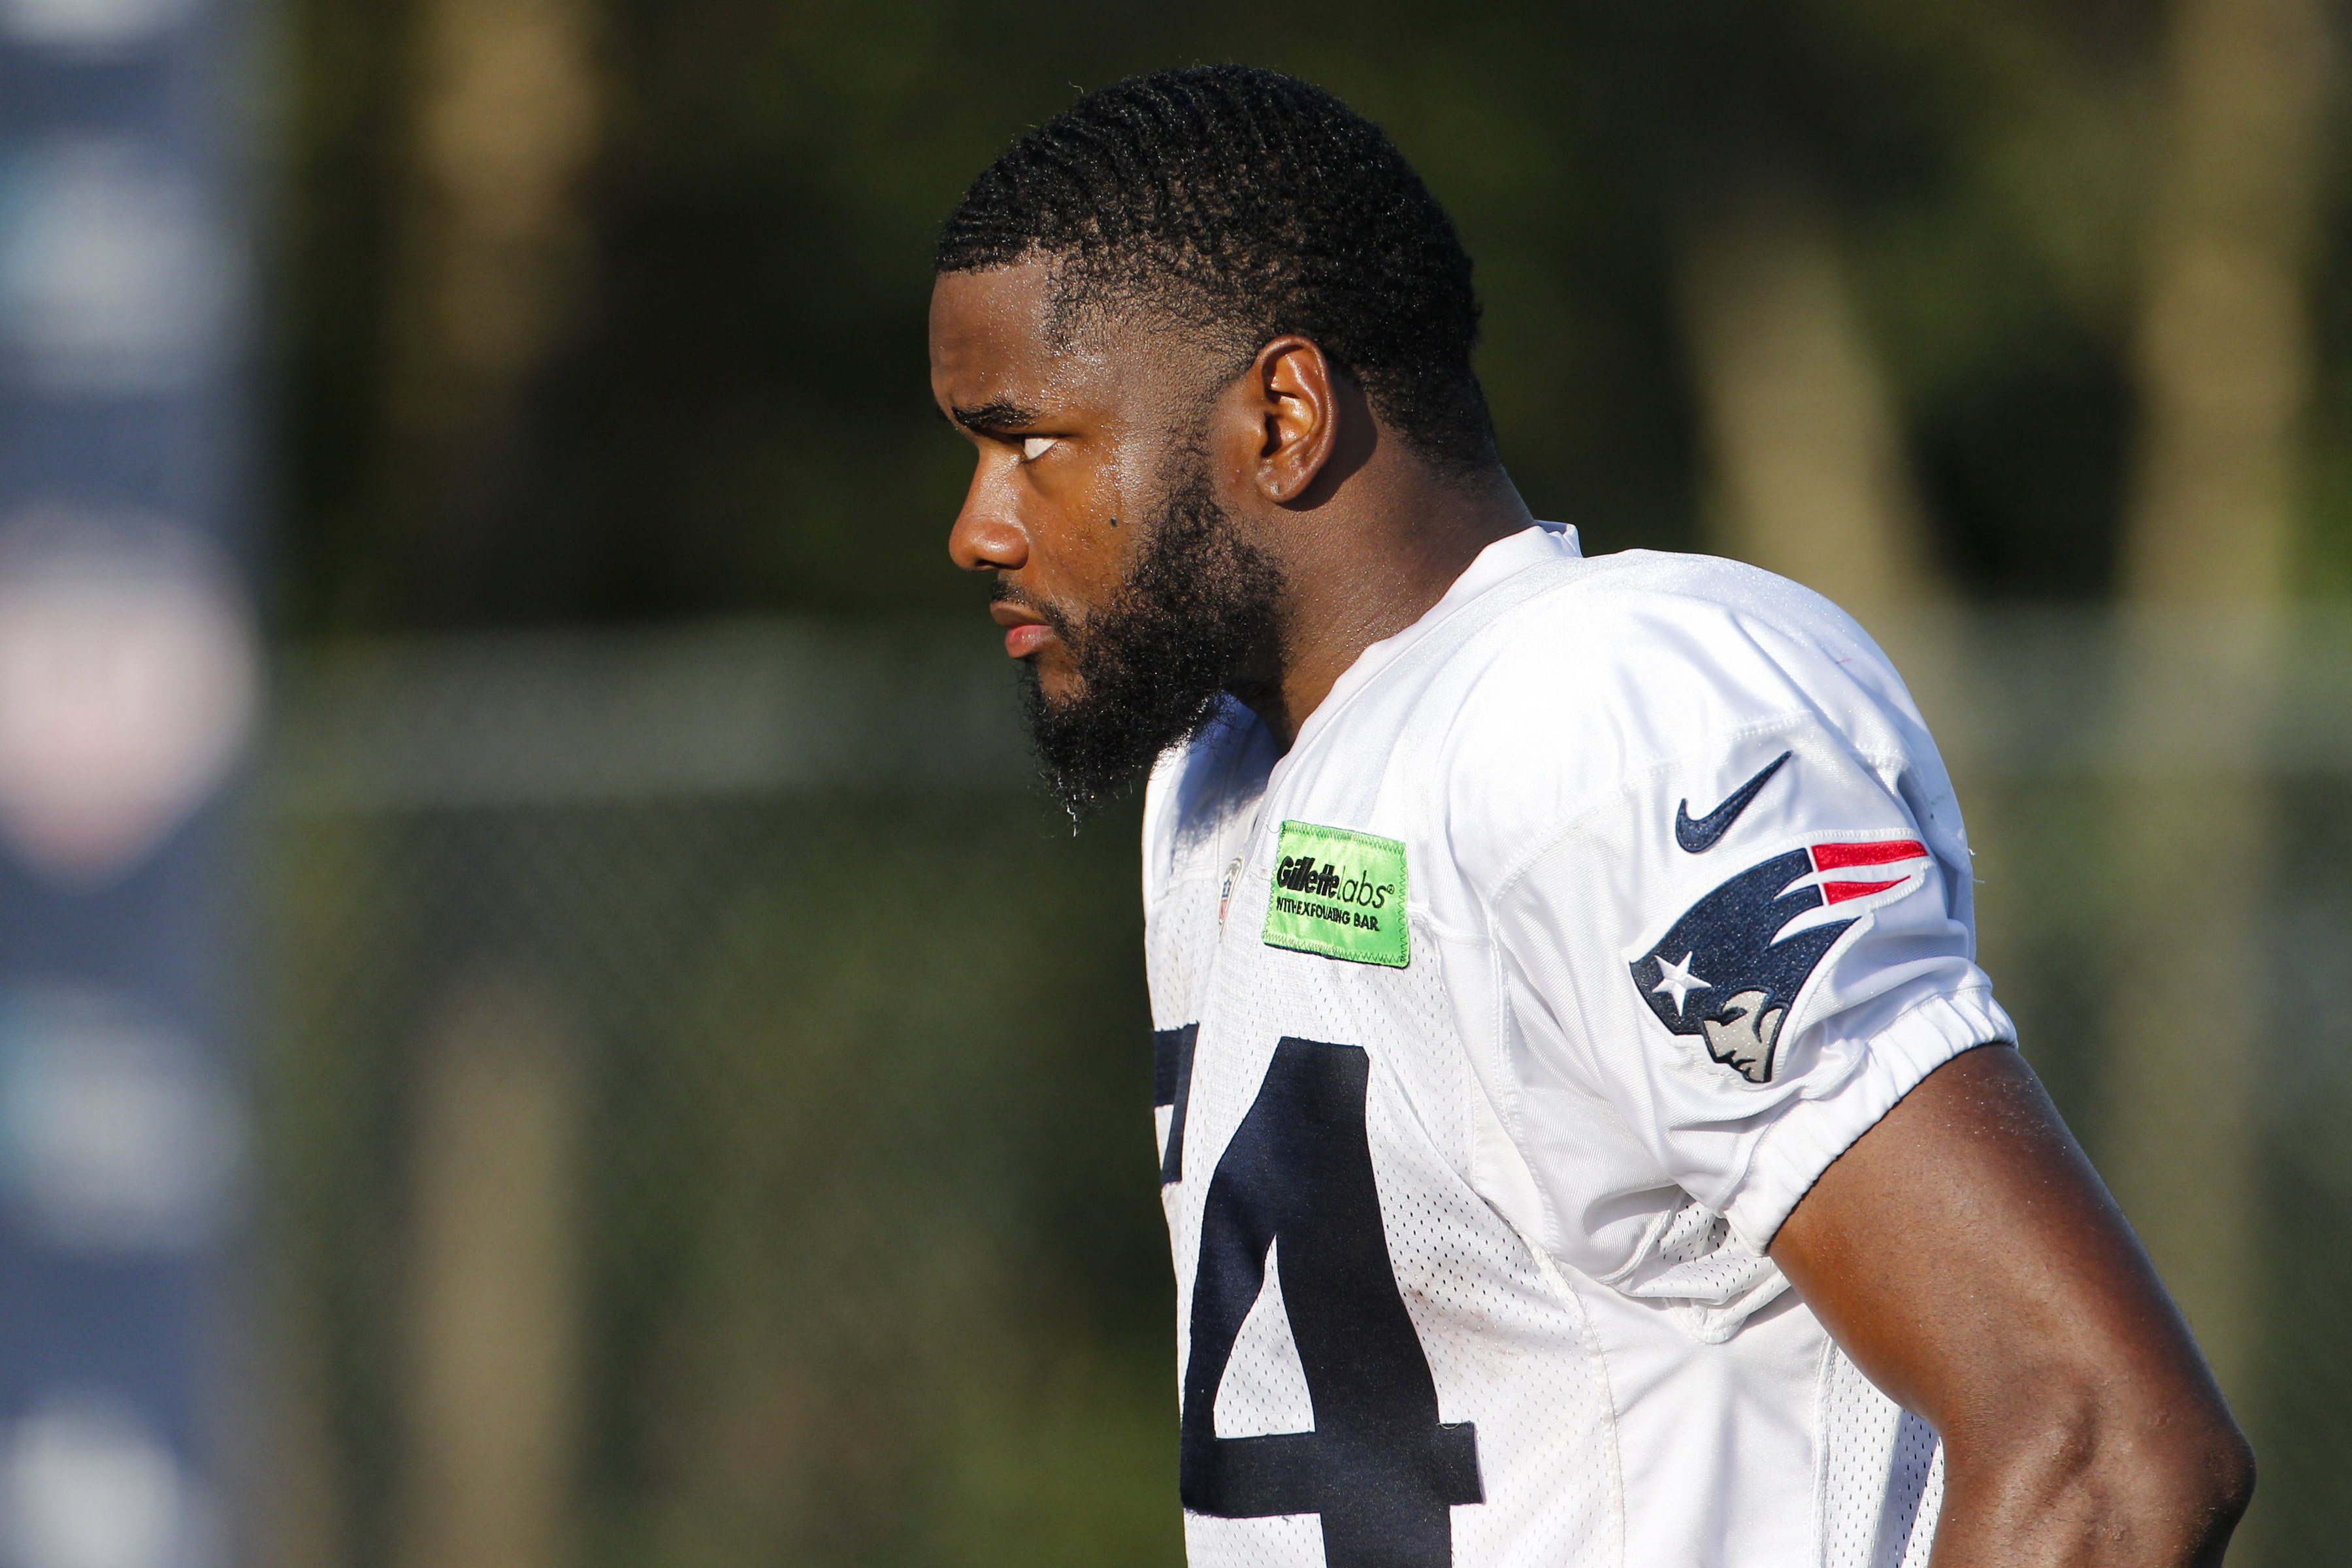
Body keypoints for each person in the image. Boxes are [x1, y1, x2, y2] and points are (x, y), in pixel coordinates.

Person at [927, 63, 2252, 1568]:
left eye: (1030, 439)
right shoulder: (1223, 774)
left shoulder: (1605, 706)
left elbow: (2094, 1438)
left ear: (1286, 416)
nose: (978, 524)